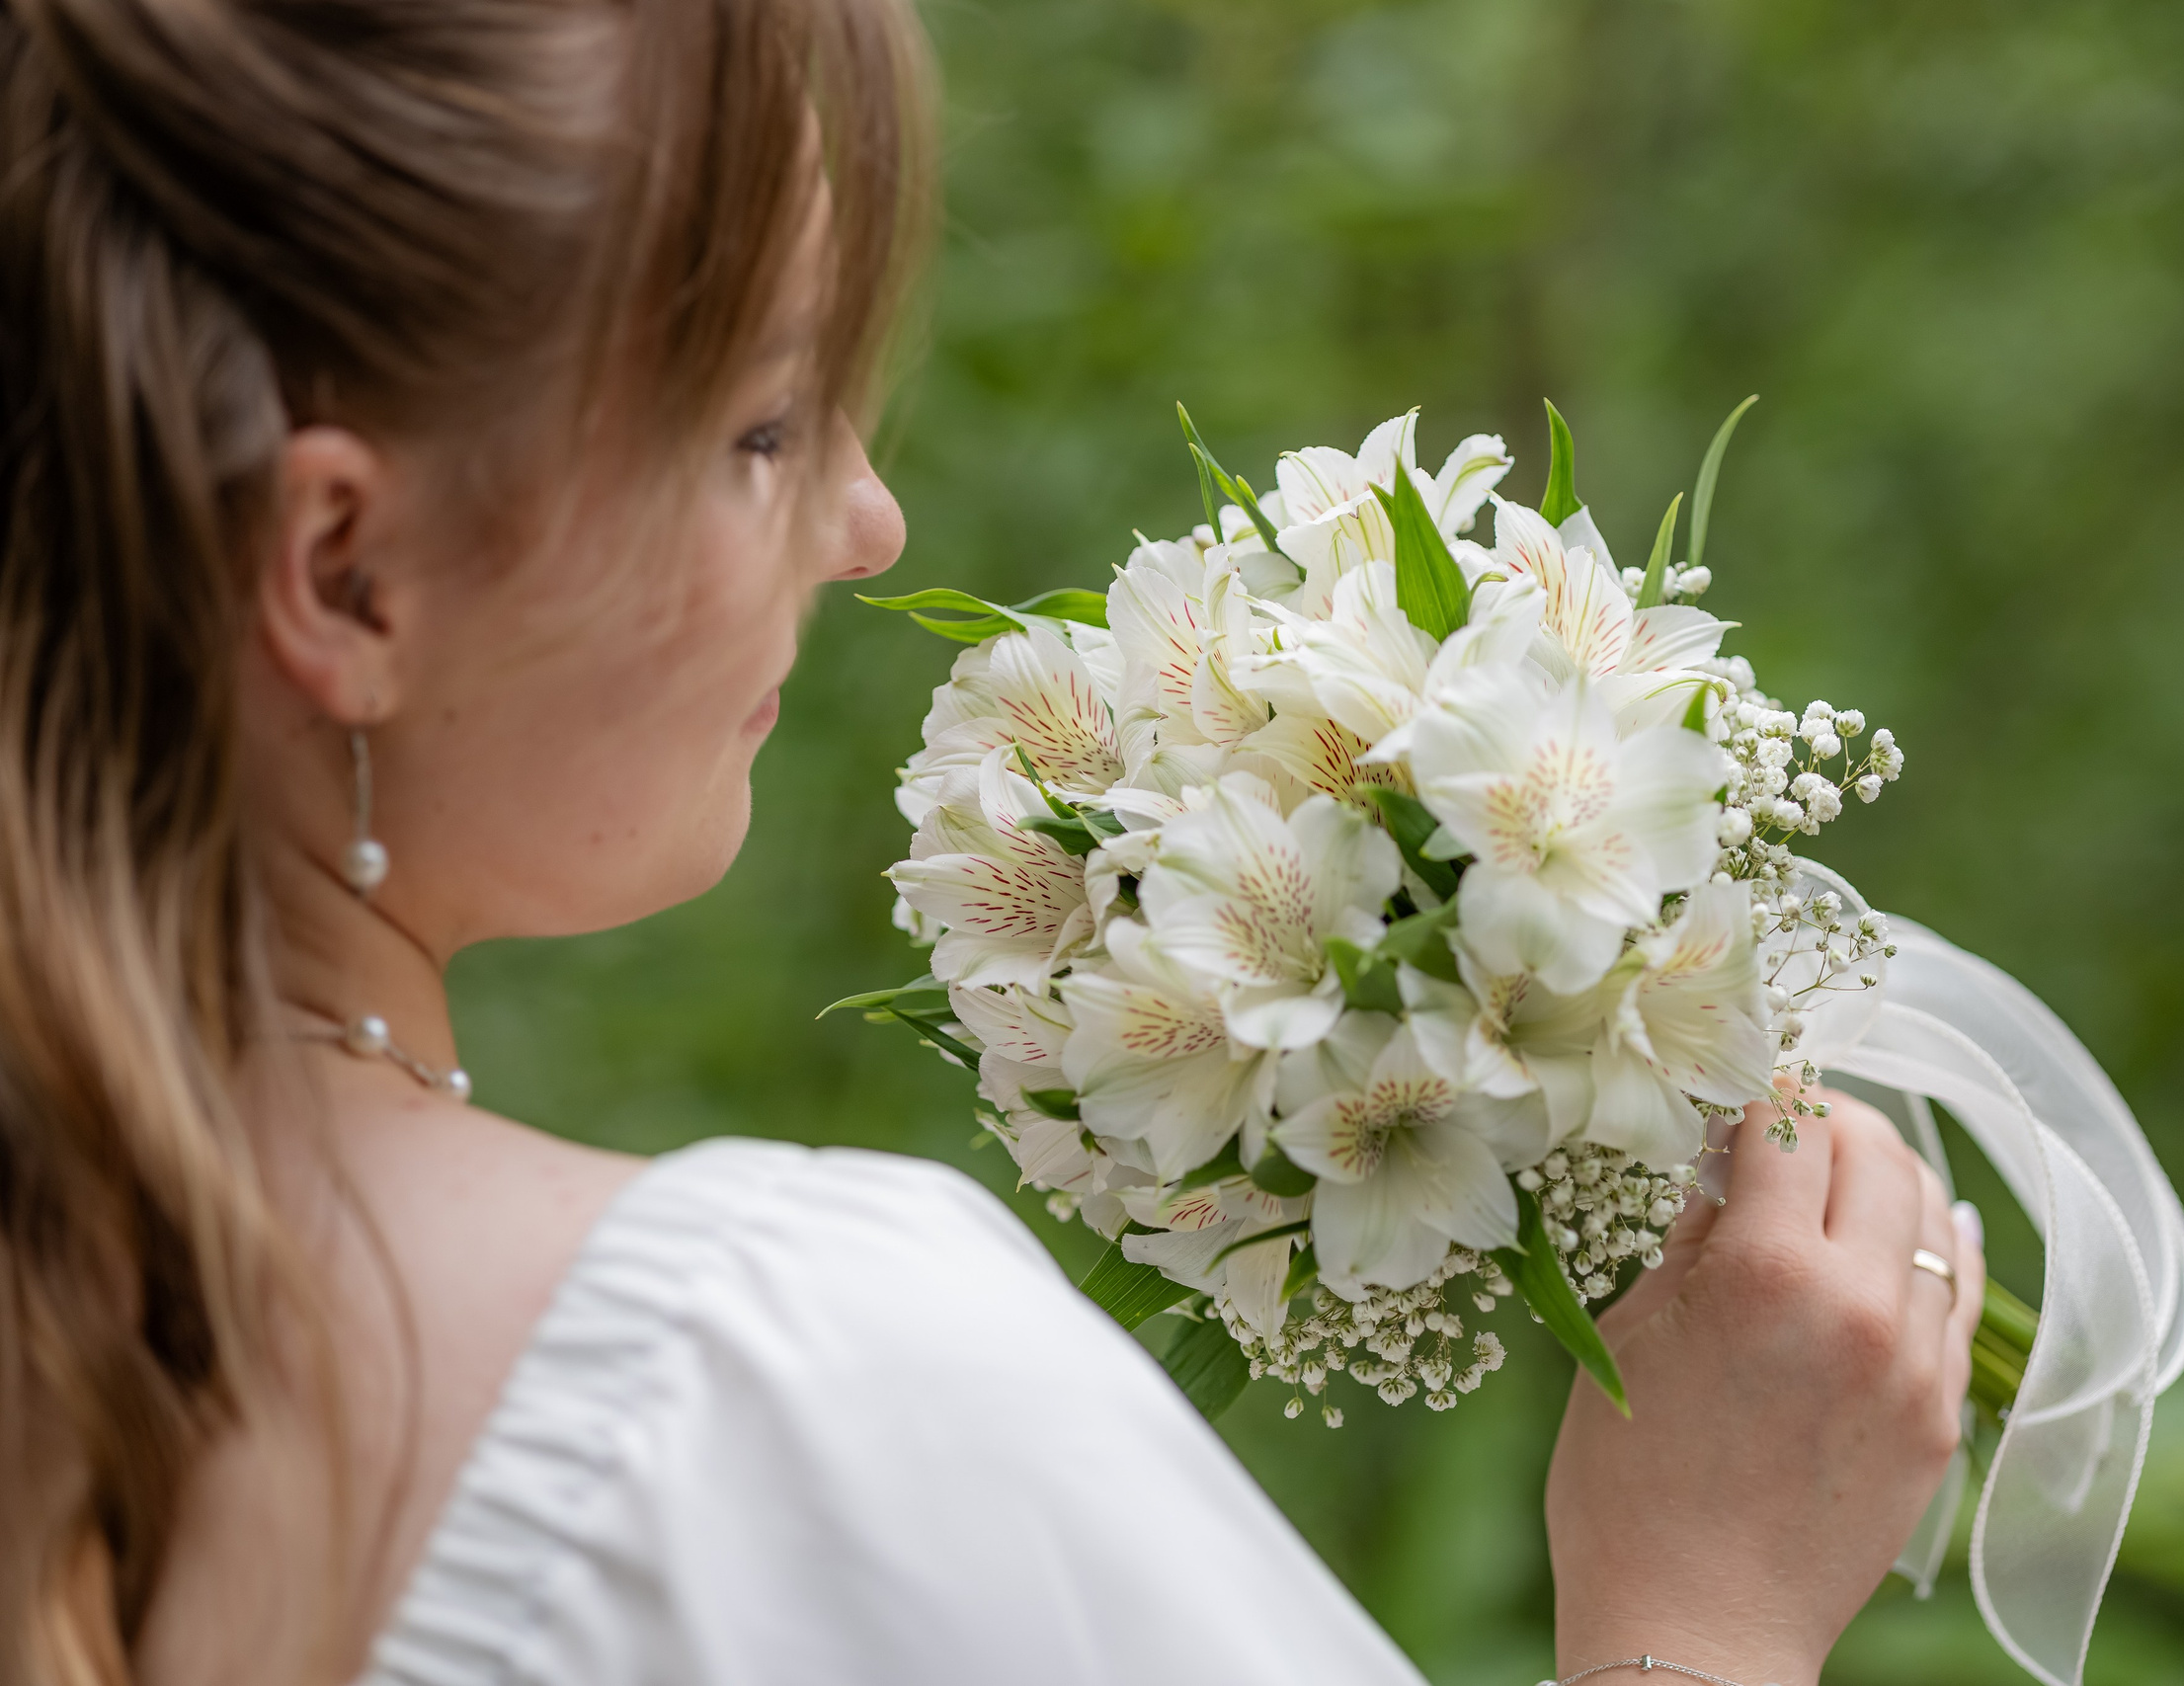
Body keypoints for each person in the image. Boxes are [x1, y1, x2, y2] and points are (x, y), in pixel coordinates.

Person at [0, 1, 1986, 1682]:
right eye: (759, 428)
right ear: (345, 573)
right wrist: (1698, 1605)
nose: (866, 523)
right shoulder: (758, 1383)